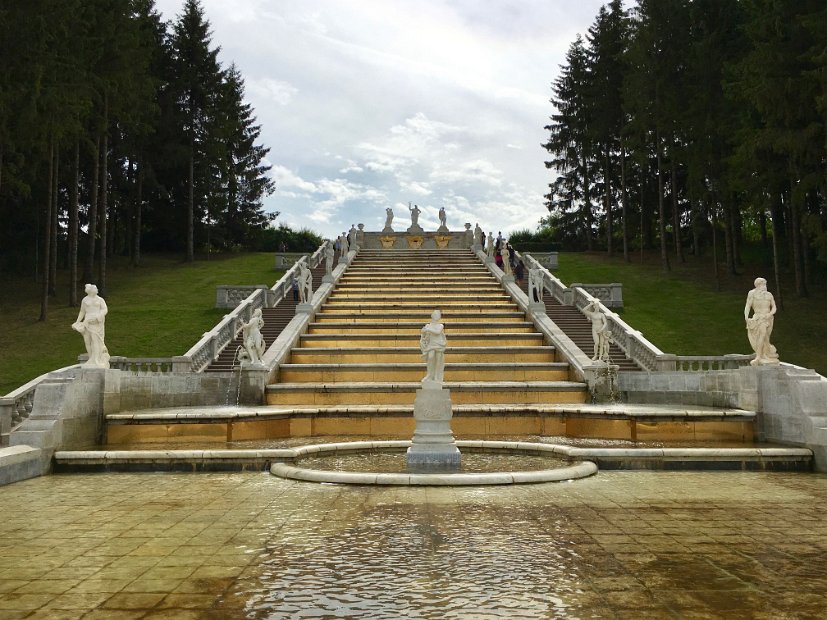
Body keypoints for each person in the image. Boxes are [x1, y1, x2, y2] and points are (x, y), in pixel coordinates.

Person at [72, 283, 110, 368]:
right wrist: (77, 321)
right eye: (95, 289)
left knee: (95, 339)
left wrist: (98, 316)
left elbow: (105, 309)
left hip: (96, 322)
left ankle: (96, 359)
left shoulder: (100, 299)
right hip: (87, 321)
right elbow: (82, 312)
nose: (97, 290)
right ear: (91, 291)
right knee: (87, 340)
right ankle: (91, 358)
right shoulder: (85, 300)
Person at [744, 277, 780, 365]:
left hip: (769, 318)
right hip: (759, 318)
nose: (765, 286)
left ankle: (767, 353)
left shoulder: (769, 295)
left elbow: (774, 307)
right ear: (758, 285)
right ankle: (759, 357)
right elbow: (748, 306)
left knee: (766, 337)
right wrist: (746, 317)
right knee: (762, 334)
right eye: (763, 284)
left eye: (765, 284)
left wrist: (770, 314)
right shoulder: (752, 294)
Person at [420, 309, 447, 385]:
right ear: (432, 315)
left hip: (439, 344)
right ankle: (429, 374)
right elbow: (424, 335)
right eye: (435, 314)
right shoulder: (428, 325)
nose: (436, 316)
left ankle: (436, 376)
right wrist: (424, 332)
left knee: (438, 360)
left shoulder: (440, 325)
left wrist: (428, 329)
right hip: (431, 344)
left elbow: (438, 332)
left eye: (438, 315)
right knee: (431, 357)